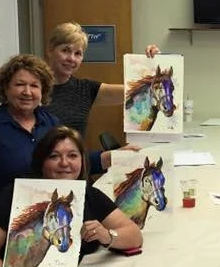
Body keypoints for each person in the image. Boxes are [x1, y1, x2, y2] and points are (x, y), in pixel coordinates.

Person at [0, 127, 143, 267]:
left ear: (82, 161)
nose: (64, 163)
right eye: (54, 156)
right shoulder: (14, 196)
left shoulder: (88, 195)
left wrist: (107, 235)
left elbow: (134, 235)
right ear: (41, 162)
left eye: (72, 156)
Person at [44, 22, 159, 172]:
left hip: (77, 174)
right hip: (42, 177)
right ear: (50, 50)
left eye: (78, 54)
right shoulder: (32, 91)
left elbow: (143, 92)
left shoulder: (85, 89)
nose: (71, 58)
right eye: (66, 50)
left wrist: (154, 62)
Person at [0, 55, 59, 214]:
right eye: (20, 84)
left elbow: (71, 161)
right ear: (5, 88)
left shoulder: (53, 124)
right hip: (3, 217)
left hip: (49, 213)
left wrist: (108, 157)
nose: (27, 92)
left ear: (43, 90)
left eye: (34, 85)